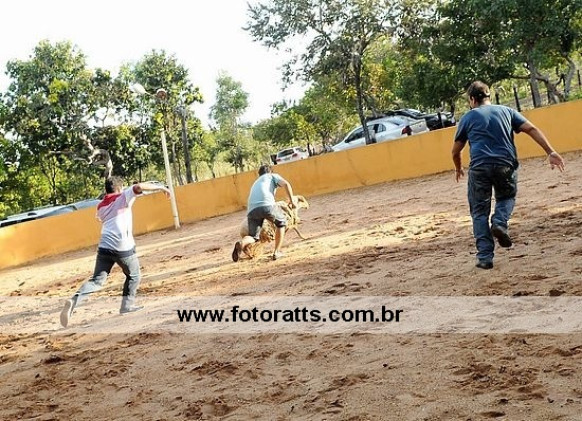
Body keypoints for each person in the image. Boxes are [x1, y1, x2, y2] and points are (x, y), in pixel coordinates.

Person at [452, 81, 565, 270]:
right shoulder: (507, 111)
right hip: (506, 164)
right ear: (488, 96)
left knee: (479, 212)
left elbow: (456, 151)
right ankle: (499, 222)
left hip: (479, 167)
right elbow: (531, 129)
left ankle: (485, 257)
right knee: (506, 197)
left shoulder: (468, 118)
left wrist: (458, 168)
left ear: (472, 99)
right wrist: (550, 151)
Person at [60, 177, 171, 327]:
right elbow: (139, 186)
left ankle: (74, 300)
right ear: (119, 188)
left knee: (96, 281)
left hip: (104, 246)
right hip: (122, 246)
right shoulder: (123, 196)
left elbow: (99, 218)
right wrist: (162, 188)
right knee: (134, 275)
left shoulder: (100, 205)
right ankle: (127, 306)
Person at [232, 164, 298, 262]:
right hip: (267, 205)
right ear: (270, 171)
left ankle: (241, 244)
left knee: (254, 237)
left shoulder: (256, 182)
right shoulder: (272, 176)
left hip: (252, 209)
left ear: (259, 174)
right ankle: (277, 252)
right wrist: (292, 201)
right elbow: (286, 184)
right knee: (281, 223)